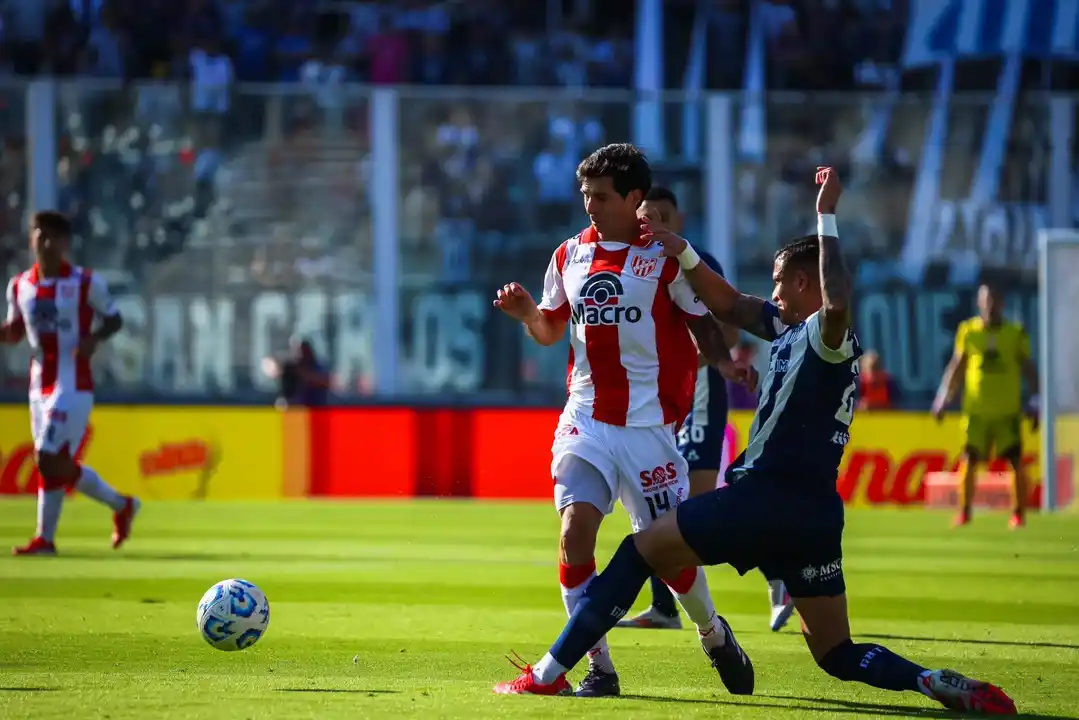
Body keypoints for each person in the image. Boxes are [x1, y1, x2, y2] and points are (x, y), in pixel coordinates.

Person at [494, 168, 1018, 716]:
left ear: (806, 284)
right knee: (836, 652)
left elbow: (837, 301)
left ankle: (549, 674)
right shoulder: (790, 330)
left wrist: (826, 215)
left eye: (780, 282)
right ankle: (932, 681)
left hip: (763, 498)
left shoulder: (827, 335)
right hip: (815, 517)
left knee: (638, 550)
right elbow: (730, 305)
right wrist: (684, 253)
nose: (772, 293)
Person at [493, 143, 758, 698]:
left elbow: (702, 324)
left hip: (648, 429)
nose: (589, 205)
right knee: (574, 533)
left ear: (634, 197)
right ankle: (600, 668)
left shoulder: (663, 257)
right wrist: (526, 314)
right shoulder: (568, 255)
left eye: (601, 196)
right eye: (585, 194)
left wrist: (724, 364)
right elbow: (549, 330)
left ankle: (712, 632)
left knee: (669, 558)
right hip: (585, 418)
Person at [615, 186, 795, 634]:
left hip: (698, 398)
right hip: (653, 407)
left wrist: (670, 364)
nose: (654, 223)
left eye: (663, 215)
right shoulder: (629, 264)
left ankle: (777, 566)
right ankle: (664, 608)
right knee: (661, 506)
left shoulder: (697, 262)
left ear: (678, 220)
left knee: (693, 511)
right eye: (647, 215)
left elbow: (729, 335)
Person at [1, 211, 140, 556]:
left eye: (53, 237)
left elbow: (114, 318)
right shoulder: (19, 286)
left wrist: (94, 338)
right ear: (32, 238)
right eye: (40, 235)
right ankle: (107, 511)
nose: (46, 243)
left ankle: (108, 510)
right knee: (51, 464)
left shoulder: (85, 282)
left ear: (65, 243)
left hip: (73, 382)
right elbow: (15, 331)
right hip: (39, 384)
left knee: (48, 456)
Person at [931, 284, 1039, 528]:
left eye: (993, 300)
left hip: (1007, 412)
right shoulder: (969, 331)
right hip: (976, 412)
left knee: (1015, 461)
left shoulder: (1015, 332)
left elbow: (1028, 368)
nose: (989, 306)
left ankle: (1018, 514)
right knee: (969, 459)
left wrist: (1035, 401)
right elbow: (957, 366)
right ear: (979, 303)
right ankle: (964, 511)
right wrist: (943, 397)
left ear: (1001, 303)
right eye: (985, 301)